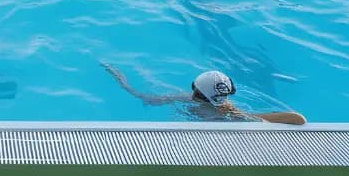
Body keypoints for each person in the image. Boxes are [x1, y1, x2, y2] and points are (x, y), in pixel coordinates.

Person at [102, 65, 307, 125]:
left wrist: (122, 81)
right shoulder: (228, 112)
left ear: (196, 89)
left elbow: (145, 97)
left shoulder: (229, 116)